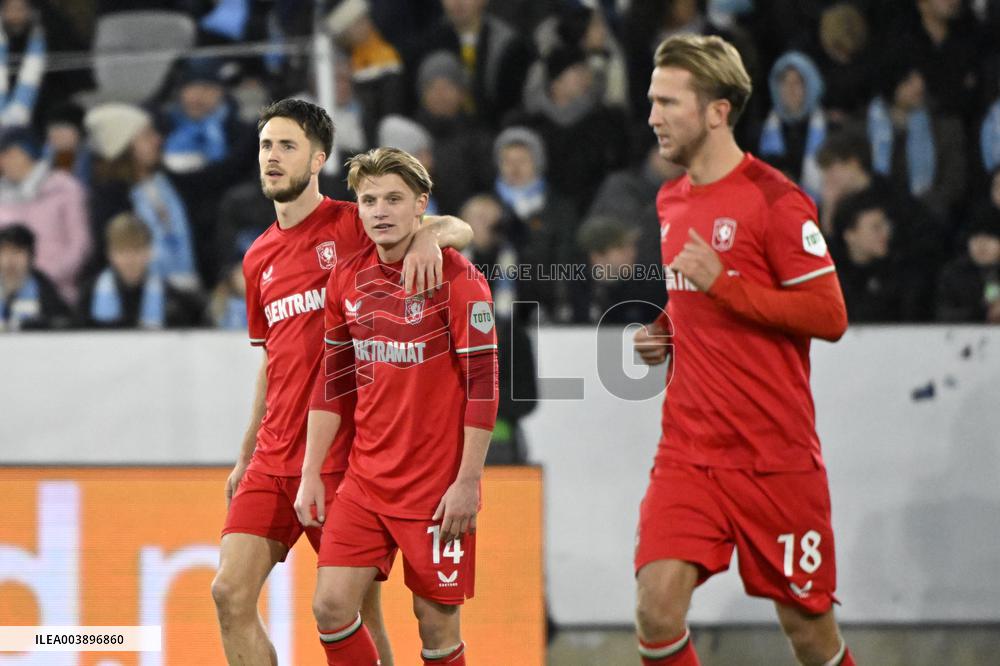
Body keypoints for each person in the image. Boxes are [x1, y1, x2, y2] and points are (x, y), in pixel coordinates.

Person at [210, 98, 472, 666]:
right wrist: (246, 452)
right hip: (275, 455)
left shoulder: (354, 221)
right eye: (266, 145)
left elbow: (458, 226)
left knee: (353, 612)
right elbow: (272, 361)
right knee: (228, 593)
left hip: (343, 456)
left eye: (287, 146)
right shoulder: (257, 258)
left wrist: (431, 237)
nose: (272, 157)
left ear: (318, 158)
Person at [632, 34, 856, 666]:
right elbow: (695, 299)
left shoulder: (775, 200)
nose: (652, 117)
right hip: (689, 450)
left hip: (773, 458)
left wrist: (726, 287)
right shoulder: (671, 199)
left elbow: (830, 316)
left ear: (717, 111)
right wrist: (666, 331)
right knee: (656, 610)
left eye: (668, 102)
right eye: (651, 101)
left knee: (809, 634)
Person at [294, 146, 497, 666]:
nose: (380, 211)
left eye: (393, 199)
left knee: (436, 624)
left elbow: (483, 386)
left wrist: (467, 482)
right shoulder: (346, 278)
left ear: (420, 205)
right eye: (369, 201)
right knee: (330, 606)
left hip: (436, 489)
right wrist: (311, 471)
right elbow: (333, 383)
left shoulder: (458, 279)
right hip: (366, 482)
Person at [0, 127, 90, 305]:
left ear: (27, 153)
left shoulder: (65, 188)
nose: (3, 161)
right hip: (8, 292)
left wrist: (43, 278)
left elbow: (80, 244)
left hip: (59, 294)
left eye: (8, 154)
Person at [77, 212, 205, 329]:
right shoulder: (89, 297)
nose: (130, 259)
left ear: (149, 251)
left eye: (136, 250)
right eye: (122, 251)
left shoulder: (174, 300)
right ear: (110, 254)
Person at [0, 223, 70, 330]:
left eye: (17, 252)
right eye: (4, 252)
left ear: (31, 256)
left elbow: (60, 321)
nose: (10, 261)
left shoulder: (43, 288)